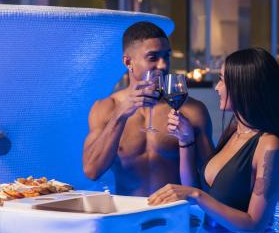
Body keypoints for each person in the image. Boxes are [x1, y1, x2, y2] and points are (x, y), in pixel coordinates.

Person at [148, 47, 279, 233]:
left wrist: (196, 196)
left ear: (244, 85)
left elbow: (255, 224)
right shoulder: (234, 132)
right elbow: (196, 189)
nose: (217, 87)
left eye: (223, 80)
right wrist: (185, 141)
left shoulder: (270, 146)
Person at [82, 21, 214, 196]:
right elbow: (92, 171)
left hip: (173, 214)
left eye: (166, 56)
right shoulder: (106, 108)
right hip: (127, 214)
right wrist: (120, 115)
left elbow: (211, 181)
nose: (163, 65)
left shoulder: (192, 110)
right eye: (153, 57)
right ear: (128, 62)